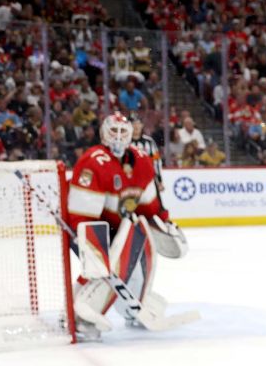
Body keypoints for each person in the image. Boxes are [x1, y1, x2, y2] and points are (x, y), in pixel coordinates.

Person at [67, 113, 187, 333]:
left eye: (123, 132)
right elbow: (82, 214)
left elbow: (149, 206)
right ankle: (78, 314)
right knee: (100, 269)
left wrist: (163, 221)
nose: (118, 137)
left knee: (137, 261)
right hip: (87, 227)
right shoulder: (92, 161)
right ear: (104, 133)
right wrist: (93, 247)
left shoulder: (141, 160)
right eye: (114, 131)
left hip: (119, 228)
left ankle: (133, 308)